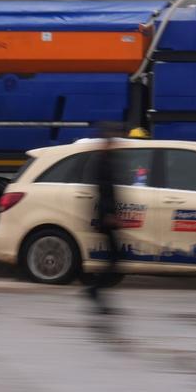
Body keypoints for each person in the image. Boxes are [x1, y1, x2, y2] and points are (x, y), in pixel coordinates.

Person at [84, 130, 122, 314]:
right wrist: (109, 214)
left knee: (114, 258)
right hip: (107, 216)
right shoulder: (103, 162)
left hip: (108, 215)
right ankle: (94, 290)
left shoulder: (106, 160)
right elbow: (105, 190)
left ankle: (95, 292)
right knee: (115, 258)